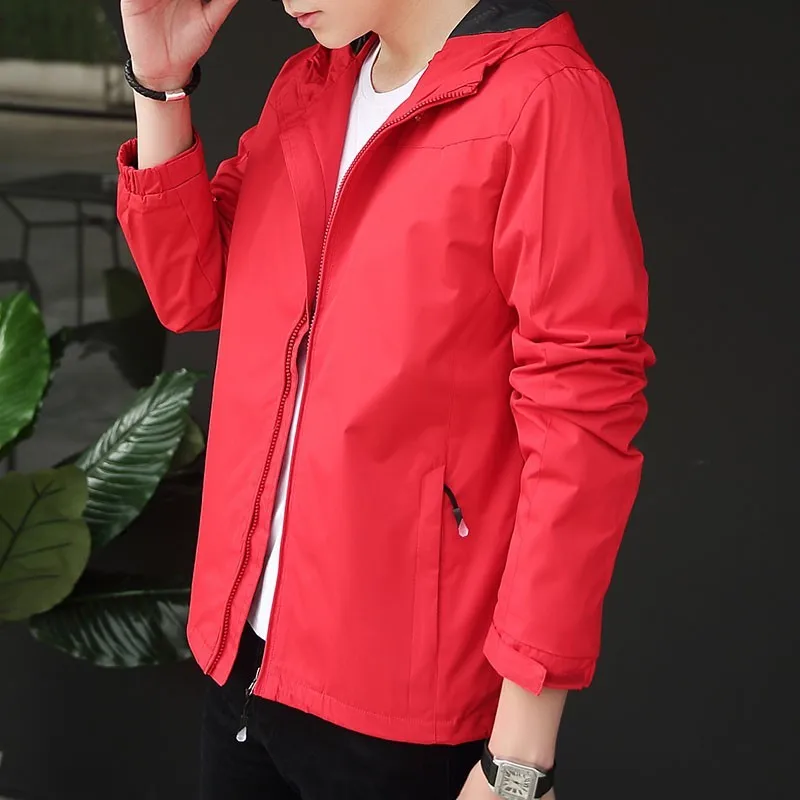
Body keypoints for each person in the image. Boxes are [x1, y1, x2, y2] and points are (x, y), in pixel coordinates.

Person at [116, 0, 655, 797]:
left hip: (400, 715)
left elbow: (581, 423)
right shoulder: (312, 83)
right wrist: (161, 86)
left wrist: (516, 764)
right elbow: (192, 289)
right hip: (244, 661)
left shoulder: (543, 96)